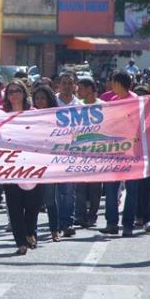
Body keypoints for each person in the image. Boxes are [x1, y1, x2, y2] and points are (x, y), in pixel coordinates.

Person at [3, 79, 46, 255]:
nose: (14, 94)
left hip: (32, 164)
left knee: (33, 204)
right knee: (14, 205)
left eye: (17, 91)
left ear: (24, 93)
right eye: (10, 91)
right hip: (9, 165)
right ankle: (20, 241)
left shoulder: (34, 113)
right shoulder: (1, 114)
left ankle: (30, 232)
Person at [100, 71, 139, 237]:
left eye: (113, 83)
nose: (111, 86)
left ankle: (128, 224)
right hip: (115, 151)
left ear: (119, 84)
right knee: (110, 188)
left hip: (132, 151)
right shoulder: (114, 101)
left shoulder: (136, 101)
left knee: (132, 189)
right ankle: (111, 223)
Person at [32, 85, 61, 242]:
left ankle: (54, 231)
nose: (40, 101)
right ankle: (32, 233)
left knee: (50, 199)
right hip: (34, 162)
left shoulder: (57, 116)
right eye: (37, 98)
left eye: (42, 98)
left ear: (49, 99)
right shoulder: (30, 116)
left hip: (50, 162)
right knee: (35, 200)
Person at [55, 72, 82, 237]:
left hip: (73, 152)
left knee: (69, 191)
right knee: (57, 191)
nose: (66, 86)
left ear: (75, 86)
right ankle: (57, 222)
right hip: (54, 153)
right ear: (59, 85)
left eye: (69, 83)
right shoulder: (53, 102)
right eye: (63, 83)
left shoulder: (80, 105)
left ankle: (68, 222)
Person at [75, 77, 103, 228]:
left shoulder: (104, 106)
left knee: (95, 189)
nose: (78, 91)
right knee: (79, 188)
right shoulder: (77, 107)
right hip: (80, 153)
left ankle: (92, 216)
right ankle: (80, 216)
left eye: (81, 88)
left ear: (90, 89)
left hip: (98, 154)